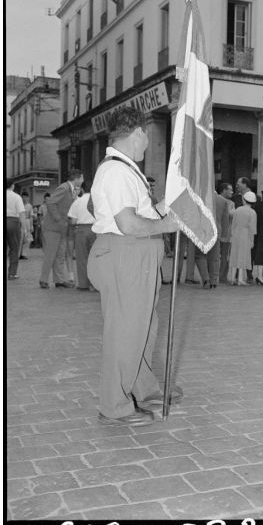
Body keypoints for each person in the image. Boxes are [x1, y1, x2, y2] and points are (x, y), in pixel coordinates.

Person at [87, 107, 181, 427]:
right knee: (126, 331)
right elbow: (127, 224)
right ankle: (114, 403)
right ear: (137, 132)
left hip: (136, 257)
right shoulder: (116, 172)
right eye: (146, 137)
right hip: (126, 254)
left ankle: (142, 387)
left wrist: (166, 207)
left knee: (142, 328)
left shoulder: (126, 171)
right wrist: (168, 224)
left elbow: (141, 213)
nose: (147, 145)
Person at [40, 168, 84, 289]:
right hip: (53, 227)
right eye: (82, 178)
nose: (83, 180)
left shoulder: (71, 190)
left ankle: (59, 280)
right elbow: (50, 202)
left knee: (60, 255)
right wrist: (58, 219)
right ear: (77, 178)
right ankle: (43, 280)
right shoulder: (64, 188)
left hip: (62, 229)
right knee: (51, 254)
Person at [67, 181, 97, 290]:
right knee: (95, 258)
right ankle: (95, 284)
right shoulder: (98, 201)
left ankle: (83, 284)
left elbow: (73, 221)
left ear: (82, 189)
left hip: (81, 230)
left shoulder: (77, 202)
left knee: (82, 258)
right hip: (95, 230)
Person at [229, 190, 257, 285]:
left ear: (244, 200)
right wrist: (252, 240)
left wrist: (232, 235)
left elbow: (233, 224)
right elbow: (252, 228)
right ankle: (240, 279)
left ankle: (232, 278)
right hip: (246, 234)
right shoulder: (252, 212)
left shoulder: (238, 210)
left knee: (234, 255)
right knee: (243, 256)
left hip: (236, 233)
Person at [206, 187, 232, 289]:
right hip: (216, 230)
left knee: (203, 256)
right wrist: (224, 234)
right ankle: (214, 279)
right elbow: (225, 219)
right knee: (215, 257)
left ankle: (206, 277)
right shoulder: (223, 201)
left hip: (204, 230)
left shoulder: (203, 198)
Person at [6, 180, 26, 280]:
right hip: (13, 222)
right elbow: (22, 213)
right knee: (14, 248)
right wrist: (24, 228)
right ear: (12, 186)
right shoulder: (16, 197)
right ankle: (12, 273)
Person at [217, 183, 235, 283]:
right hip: (223, 233)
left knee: (223, 256)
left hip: (224, 233)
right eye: (230, 190)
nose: (232, 192)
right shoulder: (228, 203)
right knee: (222, 256)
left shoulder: (231, 203)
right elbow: (230, 214)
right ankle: (219, 276)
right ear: (224, 190)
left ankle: (220, 276)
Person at [19, 192, 34, 260]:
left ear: (28, 198)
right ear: (21, 197)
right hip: (19, 222)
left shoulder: (29, 206)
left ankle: (24, 254)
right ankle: (18, 254)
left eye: (26, 197)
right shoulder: (19, 205)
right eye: (23, 197)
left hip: (27, 222)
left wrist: (31, 226)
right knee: (19, 239)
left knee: (27, 240)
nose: (24, 199)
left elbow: (31, 216)